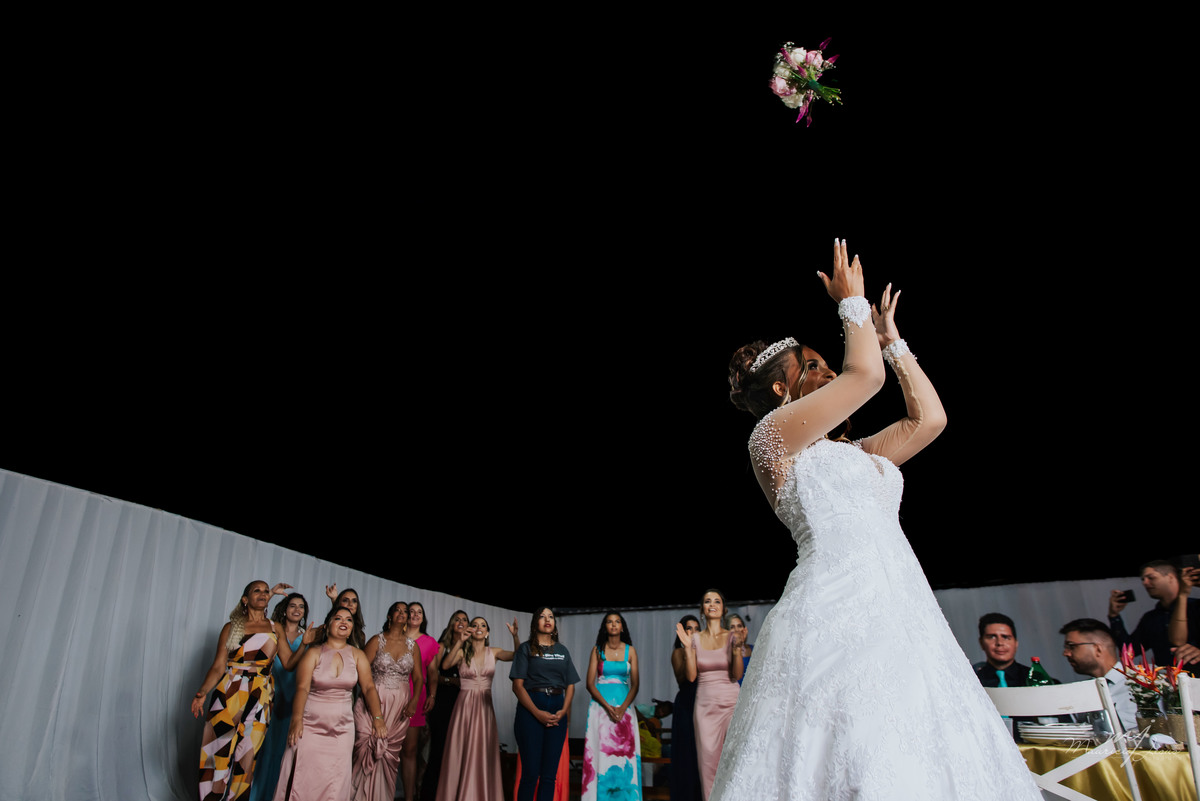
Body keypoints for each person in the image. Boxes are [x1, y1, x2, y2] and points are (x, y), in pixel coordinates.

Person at [712, 239, 1040, 801]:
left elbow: (929, 419)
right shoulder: (771, 440)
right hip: (831, 612)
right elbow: (863, 377)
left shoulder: (860, 453)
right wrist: (852, 303)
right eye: (814, 367)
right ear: (781, 390)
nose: (829, 372)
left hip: (904, 613)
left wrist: (893, 344)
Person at [272, 606, 388, 801]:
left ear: (351, 628)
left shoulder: (358, 655)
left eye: (349, 620)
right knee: (304, 775)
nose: (344, 622)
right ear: (327, 626)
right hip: (310, 725)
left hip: (342, 728)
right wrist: (297, 719)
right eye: (338, 618)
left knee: (336, 778)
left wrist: (378, 718)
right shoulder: (313, 653)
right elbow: (302, 688)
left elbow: (368, 687)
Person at [193, 579, 292, 801]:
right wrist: (202, 692)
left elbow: (289, 663)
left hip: (260, 696)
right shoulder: (231, 627)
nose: (263, 594)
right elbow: (218, 666)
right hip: (229, 692)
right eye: (257, 590)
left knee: (247, 758)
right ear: (245, 599)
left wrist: (306, 643)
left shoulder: (275, 628)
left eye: (266, 591)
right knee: (216, 753)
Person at [435, 616, 520, 801]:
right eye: (475, 625)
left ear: (487, 632)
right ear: (470, 630)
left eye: (483, 625)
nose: (479, 627)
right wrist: (460, 641)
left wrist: (515, 636)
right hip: (464, 707)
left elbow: (517, 655)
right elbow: (445, 665)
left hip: (484, 708)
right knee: (460, 750)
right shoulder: (462, 652)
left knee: (482, 751)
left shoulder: (494, 652)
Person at [350, 602, 423, 801]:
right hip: (374, 700)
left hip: (400, 706)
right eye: (397, 610)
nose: (402, 613)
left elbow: (418, 677)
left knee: (389, 755)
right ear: (389, 616)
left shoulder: (413, 646)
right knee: (365, 747)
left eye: (405, 611)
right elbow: (360, 670)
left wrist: (415, 701)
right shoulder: (377, 640)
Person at [675, 590, 742, 801]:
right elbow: (691, 676)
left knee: (733, 759)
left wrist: (737, 650)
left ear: (723, 609)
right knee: (708, 765)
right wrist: (688, 648)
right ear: (702, 610)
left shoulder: (731, 636)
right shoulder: (694, 639)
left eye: (717, 601)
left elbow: (737, 674)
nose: (712, 604)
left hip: (731, 703)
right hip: (705, 708)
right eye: (707, 601)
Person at [251, 593, 317, 801]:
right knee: (262, 751)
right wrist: (269, 593)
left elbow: (336, 624)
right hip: (269, 697)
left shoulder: (309, 636)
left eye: (301, 607)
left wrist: (334, 600)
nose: (297, 610)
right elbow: (254, 616)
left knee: (285, 753)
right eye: (292, 605)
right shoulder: (272, 630)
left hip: (294, 701)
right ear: (284, 609)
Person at [511, 606, 580, 801]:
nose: (547, 619)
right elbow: (517, 687)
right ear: (535, 623)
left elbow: (571, 685)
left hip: (557, 708)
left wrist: (564, 711)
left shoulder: (562, 650)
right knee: (531, 774)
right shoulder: (525, 648)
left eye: (551, 616)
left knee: (549, 776)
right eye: (542, 616)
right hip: (531, 708)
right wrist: (537, 713)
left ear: (555, 624)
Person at [582, 612, 642, 801]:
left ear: (622, 627)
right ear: (605, 627)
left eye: (617, 621)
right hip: (600, 709)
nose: (614, 624)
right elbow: (589, 684)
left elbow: (635, 685)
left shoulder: (631, 651)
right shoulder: (597, 650)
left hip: (625, 709)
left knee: (624, 756)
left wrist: (623, 708)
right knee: (601, 752)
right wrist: (608, 707)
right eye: (609, 621)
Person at [1108, 561, 1200, 668]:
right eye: (1143, 579)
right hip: (1168, 676)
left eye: (1151, 577)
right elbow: (1129, 651)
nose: (1145, 583)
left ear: (1170, 577)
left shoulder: (1196, 607)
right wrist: (1114, 616)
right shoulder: (1150, 619)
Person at [421, 610, 470, 801]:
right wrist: (452, 681)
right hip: (443, 702)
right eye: (457, 619)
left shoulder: (471, 649)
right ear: (451, 624)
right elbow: (433, 675)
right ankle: (430, 795)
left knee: (460, 752)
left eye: (464, 619)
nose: (461, 622)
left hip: (464, 702)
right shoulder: (442, 646)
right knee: (439, 749)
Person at [1060, 618, 1138, 732]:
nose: (1065, 653)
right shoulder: (1081, 692)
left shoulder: (1142, 682)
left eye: (1071, 646)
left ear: (1098, 649)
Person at [401, 601, 440, 801]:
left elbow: (433, 673)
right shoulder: (394, 637)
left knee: (410, 750)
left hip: (417, 696)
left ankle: (409, 797)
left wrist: (432, 695)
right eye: (411, 611)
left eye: (419, 612)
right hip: (392, 693)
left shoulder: (429, 642)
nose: (415, 615)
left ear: (423, 618)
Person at [669, 615, 702, 801]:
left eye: (697, 629)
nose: (693, 632)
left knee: (701, 755)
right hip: (686, 706)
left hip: (703, 704)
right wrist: (690, 651)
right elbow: (684, 678)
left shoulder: (706, 651)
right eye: (689, 628)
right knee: (686, 756)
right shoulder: (678, 652)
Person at [973, 613, 1030, 688]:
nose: (1000, 643)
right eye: (992, 637)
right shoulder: (972, 679)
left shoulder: (1034, 679)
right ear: (981, 643)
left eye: (1006, 637)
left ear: (1016, 643)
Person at [323, 585, 367, 650]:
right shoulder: (327, 628)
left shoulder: (361, 635)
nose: (350, 604)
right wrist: (334, 600)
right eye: (345, 600)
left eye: (354, 601)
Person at [725, 614, 753, 686]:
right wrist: (738, 646)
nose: (737, 630)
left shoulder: (753, 649)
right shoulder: (724, 652)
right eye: (732, 627)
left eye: (739, 626)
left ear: (744, 629)